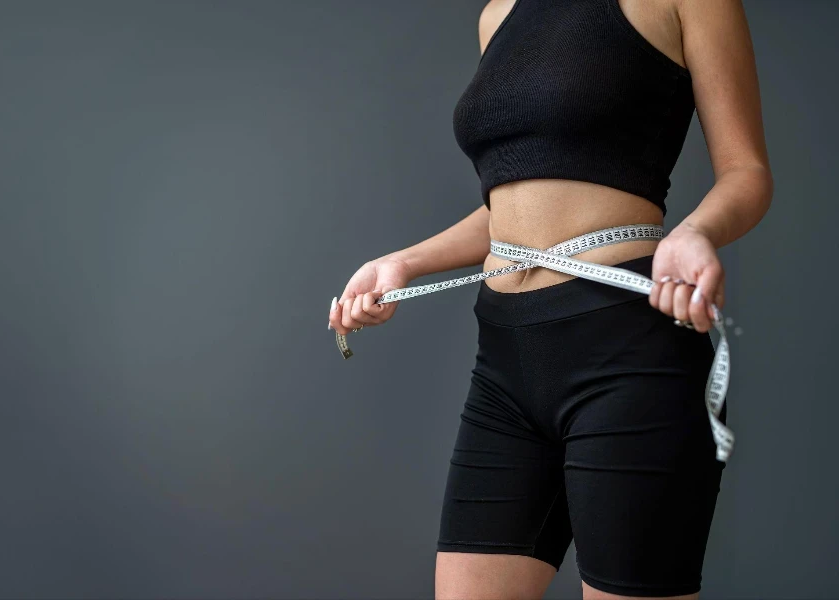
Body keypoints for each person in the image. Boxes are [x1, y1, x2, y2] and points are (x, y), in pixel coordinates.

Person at [326, 0, 772, 598]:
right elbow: (513, 204)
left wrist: (694, 233)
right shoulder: (498, 14)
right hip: (505, 364)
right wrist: (401, 262)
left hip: (626, 356)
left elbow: (746, 169)